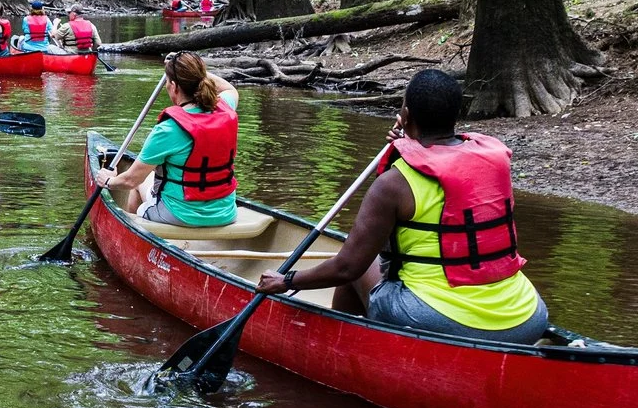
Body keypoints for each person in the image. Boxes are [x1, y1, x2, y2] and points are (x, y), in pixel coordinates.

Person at [255, 67, 549, 342]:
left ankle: (339, 344)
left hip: (440, 320)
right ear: (456, 113)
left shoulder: (394, 184)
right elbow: (440, 157)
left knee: (360, 260)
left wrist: (287, 280)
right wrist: (409, 140)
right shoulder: (493, 161)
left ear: (405, 115)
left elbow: (346, 268)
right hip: (526, 317)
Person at [104, 53, 241, 227]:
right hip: (226, 213)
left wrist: (107, 181)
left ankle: (136, 231)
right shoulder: (226, 108)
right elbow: (230, 89)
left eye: (168, 82)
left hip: (179, 215)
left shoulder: (168, 129)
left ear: (174, 86)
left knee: (139, 184)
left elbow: (130, 180)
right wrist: (195, 71)